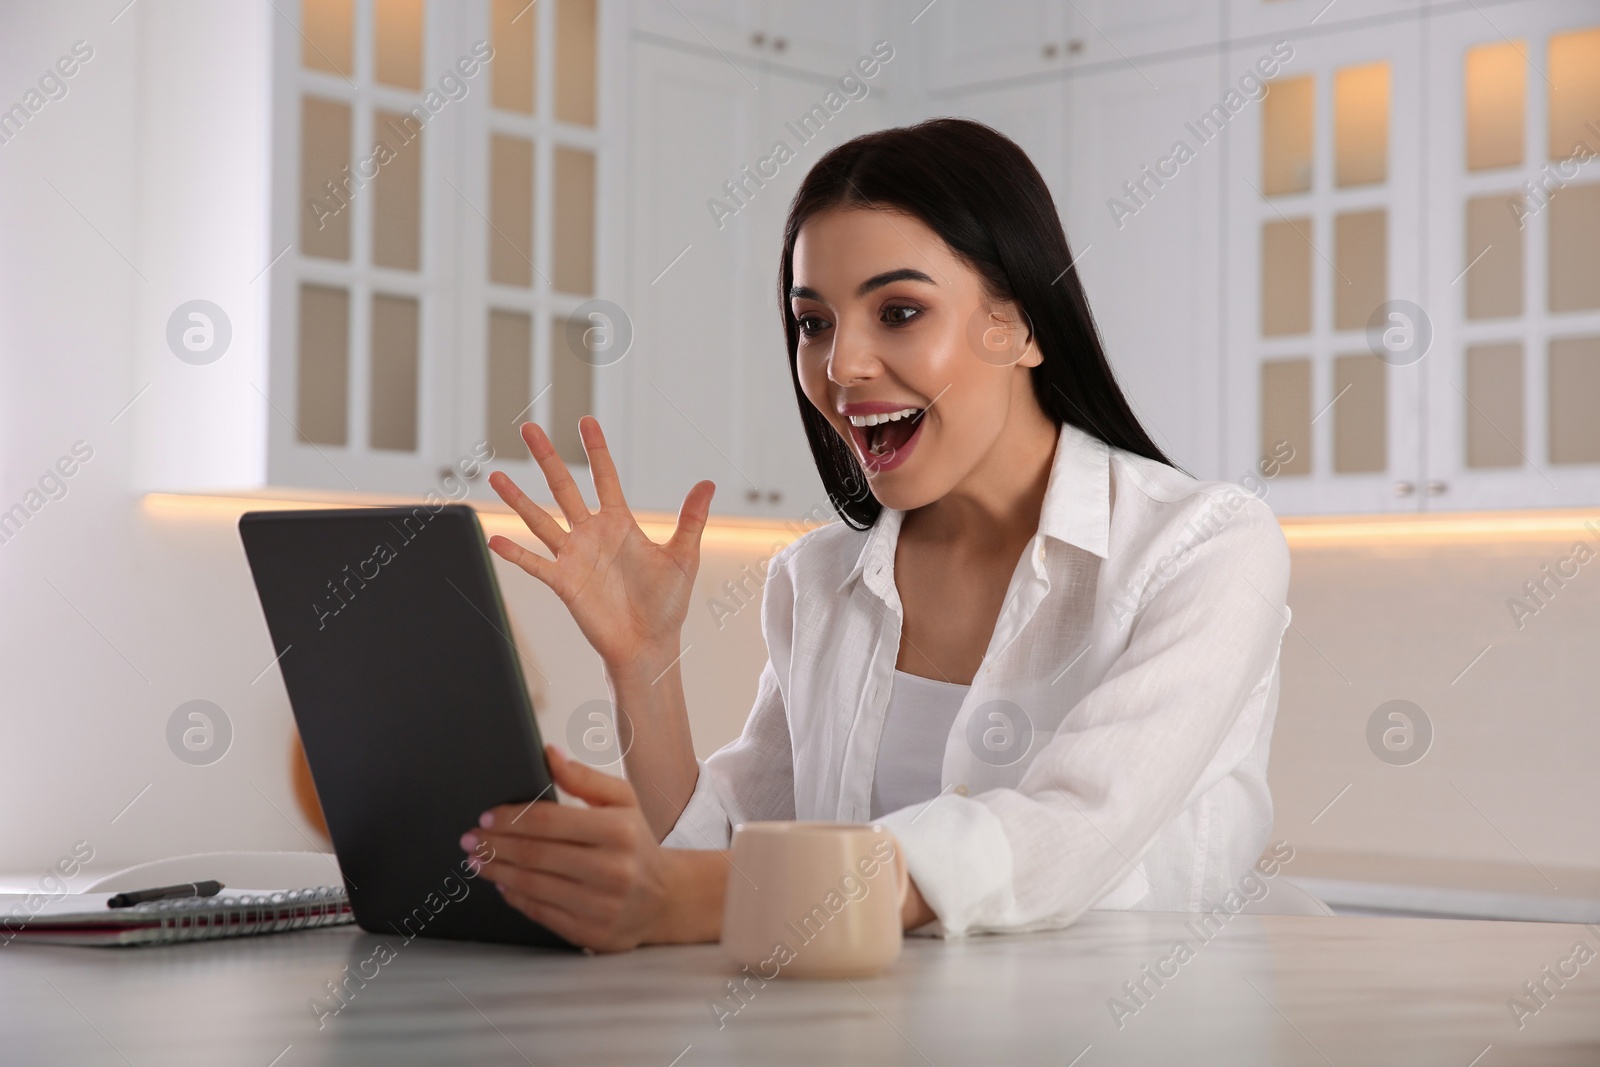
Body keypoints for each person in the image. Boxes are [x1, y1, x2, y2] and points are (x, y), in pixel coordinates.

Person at [460, 119, 1291, 951]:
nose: (841, 365)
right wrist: (644, 664)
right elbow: (730, 851)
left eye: (898, 311)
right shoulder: (816, 581)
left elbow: (1073, 829)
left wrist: (703, 896)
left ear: (1023, 326)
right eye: (813, 322)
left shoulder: (1204, 549)